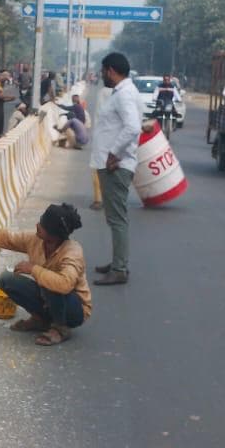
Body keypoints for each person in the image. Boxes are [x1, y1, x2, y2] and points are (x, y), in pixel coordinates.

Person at [0, 203, 90, 346]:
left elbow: (65, 284)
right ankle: (41, 319)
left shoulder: (72, 252)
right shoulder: (35, 240)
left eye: (43, 225)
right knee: (7, 280)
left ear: (54, 234)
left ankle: (60, 328)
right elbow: (4, 237)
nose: (37, 225)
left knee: (51, 282)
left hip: (74, 310)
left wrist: (33, 269)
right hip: (48, 298)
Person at [89, 51, 141, 285]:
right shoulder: (122, 93)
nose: (102, 76)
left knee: (117, 218)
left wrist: (113, 153)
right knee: (114, 218)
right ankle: (118, 261)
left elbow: (132, 127)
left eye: (103, 71)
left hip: (116, 165)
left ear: (111, 70)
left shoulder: (124, 95)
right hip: (113, 163)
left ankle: (120, 268)